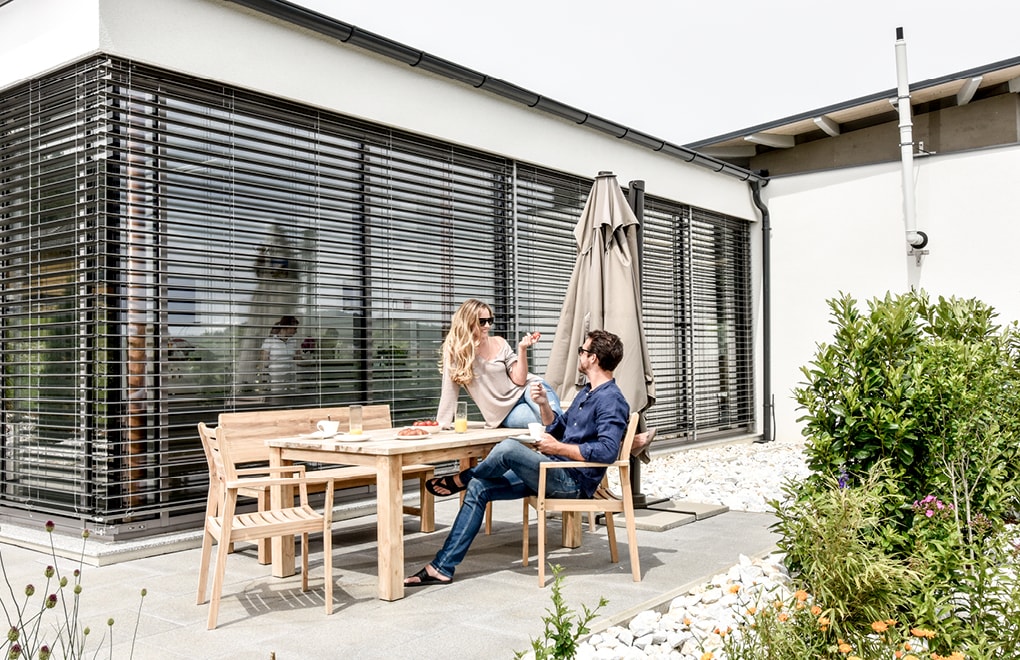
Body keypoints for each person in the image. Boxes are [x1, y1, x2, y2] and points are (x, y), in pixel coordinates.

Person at [405, 329, 630, 587]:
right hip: (552, 471)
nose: (579, 355)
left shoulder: (611, 400)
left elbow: (607, 451)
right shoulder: (586, 392)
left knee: (510, 448)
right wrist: (544, 405)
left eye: (583, 351)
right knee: (480, 487)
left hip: (573, 483)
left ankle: (462, 478)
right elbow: (558, 429)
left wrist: (558, 448)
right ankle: (442, 567)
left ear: (593, 358)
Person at [435, 299, 563, 429]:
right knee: (548, 421)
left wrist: (522, 349)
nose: (487, 326)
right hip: (505, 413)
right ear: (468, 322)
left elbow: (520, 380)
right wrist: (441, 424)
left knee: (555, 419)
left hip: (529, 389)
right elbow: (449, 390)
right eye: (482, 321)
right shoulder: (457, 352)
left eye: (490, 321)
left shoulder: (499, 342)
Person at [259, 315, 301, 400]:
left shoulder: (293, 341)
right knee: (277, 401)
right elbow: (264, 361)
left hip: (290, 378)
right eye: (294, 328)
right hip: (276, 379)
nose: (296, 331)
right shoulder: (269, 341)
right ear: (286, 327)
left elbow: (298, 359)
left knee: (290, 401)